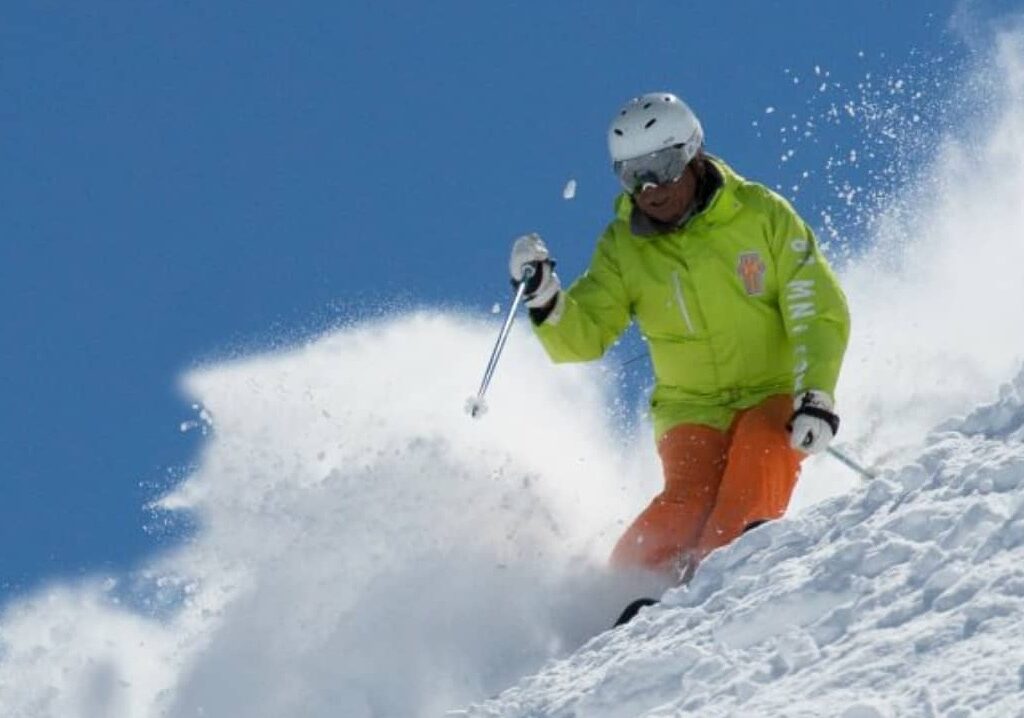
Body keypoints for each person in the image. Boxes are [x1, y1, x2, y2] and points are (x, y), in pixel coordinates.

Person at [508, 92, 850, 583]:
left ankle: (722, 574)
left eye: (662, 166)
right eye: (632, 175)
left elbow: (816, 307)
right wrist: (546, 299)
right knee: (686, 501)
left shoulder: (758, 215)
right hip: (690, 408)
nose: (650, 187)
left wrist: (816, 393)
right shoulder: (624, 246)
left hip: (772, 392)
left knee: (758, 450)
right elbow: (582, 338)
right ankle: (620, 596)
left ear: (692, 154)